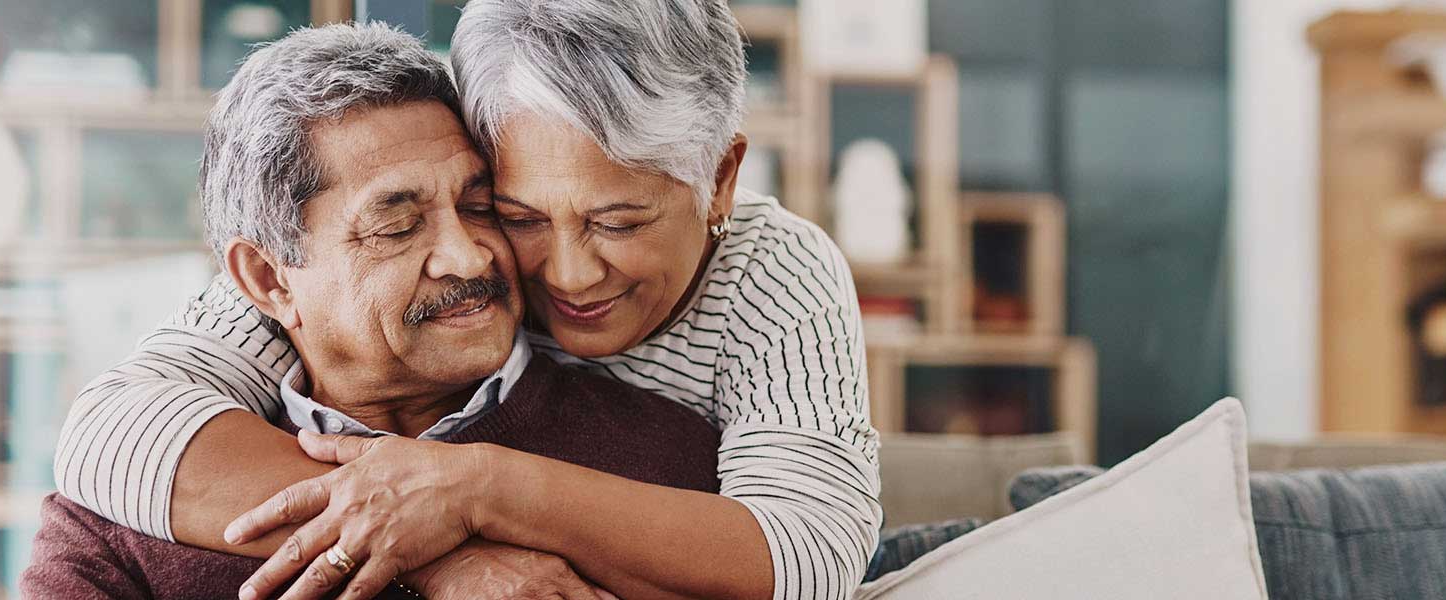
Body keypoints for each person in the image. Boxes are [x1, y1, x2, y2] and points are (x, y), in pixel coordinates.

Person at [55, 3, 881, 599]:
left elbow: (806, 558)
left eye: (620, 220)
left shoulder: (768, 284)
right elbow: (109, 429)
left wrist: (477, 489)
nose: (567, 275)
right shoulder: (301, 293)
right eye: (517, 214)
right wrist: (434, 547)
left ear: (721, 181)